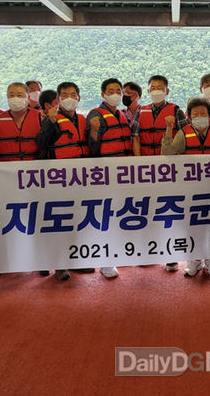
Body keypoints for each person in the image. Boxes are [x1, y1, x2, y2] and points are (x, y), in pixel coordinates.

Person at [162, 96, 210, 277]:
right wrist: (169, 129)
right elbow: (168, 153)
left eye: (203, 113)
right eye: (195, 114)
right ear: (189, 116)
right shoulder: (183, 133)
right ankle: (193, 259)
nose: (199, 116)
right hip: (190, 187)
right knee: (191, 224)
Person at [131, 75, 187, 272]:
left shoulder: (176, 110)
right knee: (146, 211)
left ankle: (170, 255)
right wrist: (139, 162)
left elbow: (184, 136)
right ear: (148, 91)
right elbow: (135, 136)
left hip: (169, 169)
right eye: (152, 87)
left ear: (167, 91)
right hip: (147, 168)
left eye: (159, 88)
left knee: (168, 211)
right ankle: (148, 251)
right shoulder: (141, 110)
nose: (156, 91)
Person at [35, 83, 88, 281]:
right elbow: (41, 142)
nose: (69, 98)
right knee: (59, 221)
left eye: (73, 95)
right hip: (57, 178)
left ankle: (77, 260)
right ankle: (59, 264)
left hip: (80, 177)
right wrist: (50, 122)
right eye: (64, 95)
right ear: (58, 99)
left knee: (79, 220)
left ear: (79, 98)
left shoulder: (82, 119)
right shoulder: (51, 118)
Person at [85, 78, 133, 279]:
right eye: (110, 91)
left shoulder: (122, 114)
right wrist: (95, 130)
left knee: (121, 214)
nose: (115, 94)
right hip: (105, 173)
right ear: (102, 94)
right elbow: (92, 148)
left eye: (118, 91)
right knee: (106, 217)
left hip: (123, 173)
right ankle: (105, 261)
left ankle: (117, 252)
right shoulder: (96, 115)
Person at [0, 82, 43, 162]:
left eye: (19, 95)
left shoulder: (39, 117)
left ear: (28, 97)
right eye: (11, 95)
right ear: (7, 97)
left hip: (34, 166)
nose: (15, 98)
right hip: (5, 166)